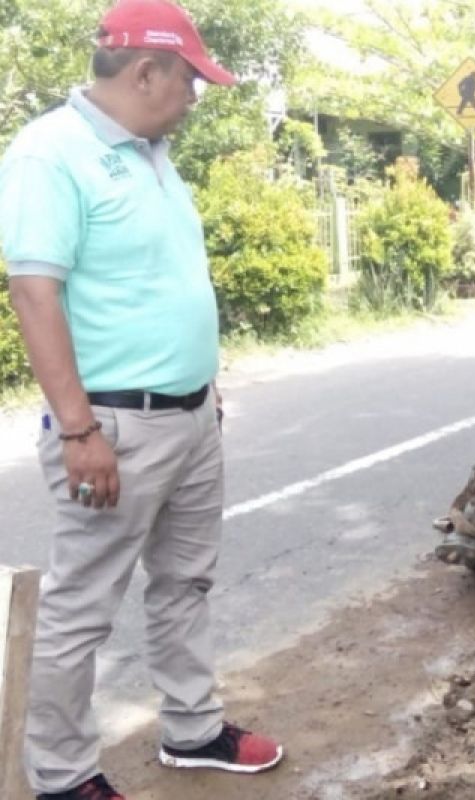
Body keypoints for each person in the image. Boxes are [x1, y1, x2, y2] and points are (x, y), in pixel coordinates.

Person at [0, 1, 284, 797]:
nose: (197, 97)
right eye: (191, 79)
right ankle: (61, 776)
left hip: (191, 416)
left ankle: (193, 730)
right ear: (146, 71)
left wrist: (204, 384)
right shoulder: (50, 154)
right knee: (81, 608)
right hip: (113, 425)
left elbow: (157, 282)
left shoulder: (151, 152)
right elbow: (33, 294)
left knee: (185, 581)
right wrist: (79, 430)